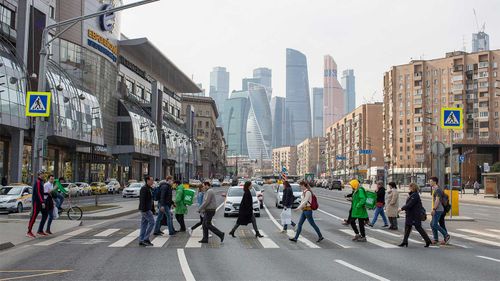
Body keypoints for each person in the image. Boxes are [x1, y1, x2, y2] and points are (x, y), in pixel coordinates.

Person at [398, 182, 432, 247]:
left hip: (415, 215)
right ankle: (405, 242)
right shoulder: (412, 194)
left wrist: (401, 209)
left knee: (418, 227)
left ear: (412, 187)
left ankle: (428, 241)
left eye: (409, 187)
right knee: (407, 227)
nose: (408, 188)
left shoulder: (415, 195)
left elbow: (410, 204)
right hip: (410, 214)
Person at [430, 177, 450, 245]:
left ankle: (446, 235)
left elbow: (437, 200)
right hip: (439, 209)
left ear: (435, 182)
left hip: (438, 210)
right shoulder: (435, 189)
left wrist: (434, 209)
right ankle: (436, 239)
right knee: (434, 224)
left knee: (434, 224)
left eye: (431, 181)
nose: (430, 182)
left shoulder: (438, 190)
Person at [27, 170, 47, 238]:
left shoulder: (41, 181)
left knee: (45, 214)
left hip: (40, 202)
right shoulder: (38, 182)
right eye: (42, 174)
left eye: (44, 174)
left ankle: (40, 231)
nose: (43, 175)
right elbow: (38, 192)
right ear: (39, 174)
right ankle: (29, 231)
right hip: (37, 202)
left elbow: (41, 192)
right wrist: (42, 202)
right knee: (34, 216)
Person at [138, 175, 155, 246]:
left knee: (144, 224)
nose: (152, 181)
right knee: (152, 222)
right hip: (145, 209)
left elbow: (151, 200)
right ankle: (145, 239)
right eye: (151, 180)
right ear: (147, 181)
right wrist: (144, 210)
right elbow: (142, 200)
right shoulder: (144, 189)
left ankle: (141, 240)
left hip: (146, 209)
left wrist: (153, 209)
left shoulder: (149, 188)